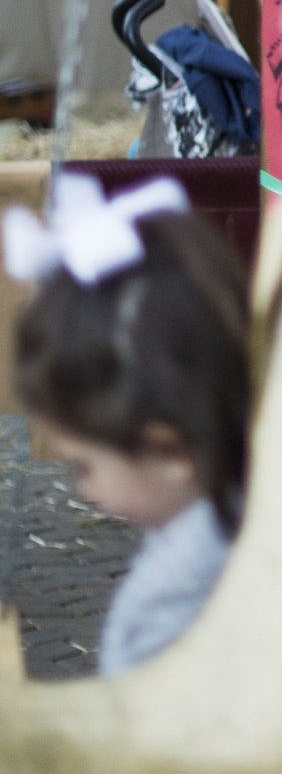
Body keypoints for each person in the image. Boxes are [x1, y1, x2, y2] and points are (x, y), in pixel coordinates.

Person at [1, 175, 251, 674]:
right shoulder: (251, 513)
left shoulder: (172, 603)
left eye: (83, 465)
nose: (85, 492)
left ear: (170, 450)